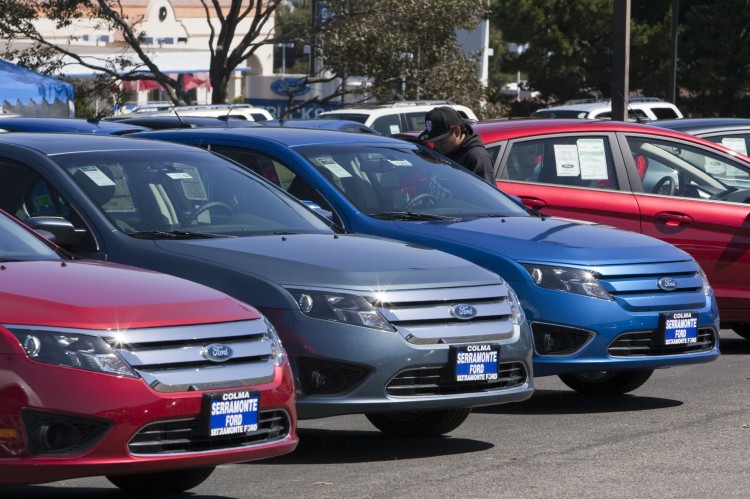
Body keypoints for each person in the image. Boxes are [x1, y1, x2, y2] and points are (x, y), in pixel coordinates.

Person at [417, 106, 495, 182]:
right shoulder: (440, 151)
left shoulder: (477, 159)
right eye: (433, 140)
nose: (436, 145)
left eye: (440, 140)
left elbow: (486, 194)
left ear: (457, 131)